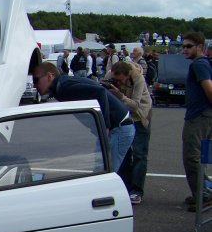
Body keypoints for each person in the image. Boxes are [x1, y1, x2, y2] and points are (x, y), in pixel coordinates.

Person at [33, 62, 135, 172]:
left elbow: (100, 92)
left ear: (49, 76)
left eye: (36, 80)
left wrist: (104, 127)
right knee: (101, 170)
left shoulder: (64, 87)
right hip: (118, 128)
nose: (34, 85)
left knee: (106, 173)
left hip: (118, 129)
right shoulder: (62, 84)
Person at [106, 61, 153, 204]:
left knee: (139, 154)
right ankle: (124, 187)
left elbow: (135, 105)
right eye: (115, 79)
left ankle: (137, 191)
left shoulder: (138, 78)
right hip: (123, 118)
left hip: (140, 116)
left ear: (127, 76)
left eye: (120, 80)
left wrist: (120, 96)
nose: (117, 81)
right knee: (123, 154)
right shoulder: (111, 74)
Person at [180, 32, 212, 211]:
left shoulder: (199, 64)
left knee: (191, 157)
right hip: (200, 115)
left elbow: (209, 89)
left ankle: (204, 196)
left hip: (199, 116)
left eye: (189, 46)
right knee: (197, 157)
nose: (184, 49)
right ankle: (200, 193)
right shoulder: (201, 63)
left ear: (200, 46)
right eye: (183, 46)